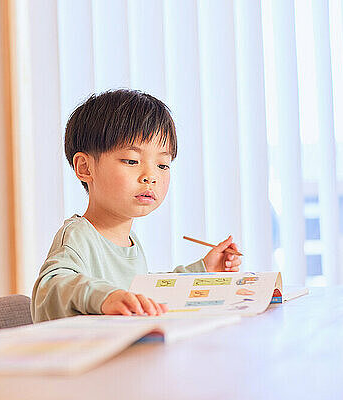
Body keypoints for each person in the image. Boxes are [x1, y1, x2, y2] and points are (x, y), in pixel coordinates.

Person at [31, 90, 241, 322]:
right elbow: (52, 287)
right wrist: (105, 297)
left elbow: (146, 293)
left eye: (162, 165)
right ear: (85, 168)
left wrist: (203, 271)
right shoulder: (78, 235)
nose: (150, 176)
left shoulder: (130, 242)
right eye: (131, 161)